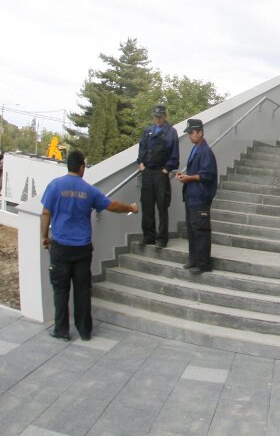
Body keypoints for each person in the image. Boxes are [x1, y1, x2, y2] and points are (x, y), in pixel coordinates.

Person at [40, 149, 139, 341]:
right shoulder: (89, 190)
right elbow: (112, 205)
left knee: (60, 290)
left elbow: (46, 213)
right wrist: (131, 208)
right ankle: (85, 330)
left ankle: (61, 330)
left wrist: (44, 236)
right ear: (82, 167)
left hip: (60, 247)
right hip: (82, 250)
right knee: (83, 290)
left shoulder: (54, 186)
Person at [175, 119, 218, 274]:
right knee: (193, 230)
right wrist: (185, 176)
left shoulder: (205, 151)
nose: (190, 136)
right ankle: (194, 260)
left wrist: (189, 178)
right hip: (192, 196)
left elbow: (207, 175)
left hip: (200, 197)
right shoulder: (196, 148)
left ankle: (203, 264)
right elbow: (197, 174)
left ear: (201, 132)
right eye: (189, 133)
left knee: (201, 231)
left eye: (192, 133)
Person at [136, 103, 179, 247]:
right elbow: (142, 147)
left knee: (162, 206)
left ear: (165, 116)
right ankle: (148, 236)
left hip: (161, 172)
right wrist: (141, 165)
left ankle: (162, 238)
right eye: (155, 117)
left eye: (160, 117)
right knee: (147, 205)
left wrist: (166, 169)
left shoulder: (171, 132)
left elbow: (174, 154)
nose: (158, 119)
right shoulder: (148, 130)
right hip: (147, 171)